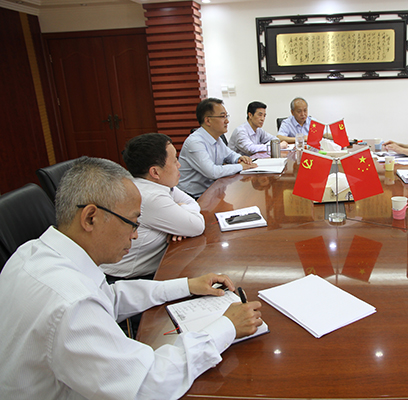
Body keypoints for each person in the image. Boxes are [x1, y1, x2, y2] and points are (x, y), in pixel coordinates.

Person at [0, 157, 263, 400]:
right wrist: (227, 327)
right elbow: (149, 385)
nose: (135, 235)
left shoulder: (32, 252)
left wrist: (187, 285)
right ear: (90, 218)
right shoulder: (71, 303)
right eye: (133, 222)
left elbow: (109, 297)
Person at [100, 133, 205, 280]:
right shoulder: (150, 196)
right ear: (155, 172)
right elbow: (197, 226)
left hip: (148, 269)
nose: (179, 165)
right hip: (127, 280)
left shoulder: (154, 184)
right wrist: (181, 218)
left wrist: (180, 215)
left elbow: (192, 202)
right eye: (174, 161)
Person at [178, 98, 256, 198]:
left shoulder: (217, 138)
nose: (227, 121)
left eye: (226, 116)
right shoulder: (195, 142)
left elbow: (230, 155)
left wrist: (239, 158)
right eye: (222, 116)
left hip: (211, 192)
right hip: (193, 197)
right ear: (208, 120)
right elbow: (212, 172)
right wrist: (241, 166)